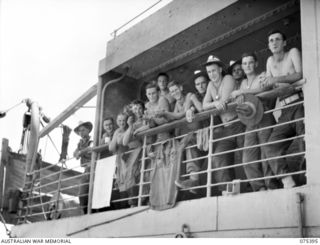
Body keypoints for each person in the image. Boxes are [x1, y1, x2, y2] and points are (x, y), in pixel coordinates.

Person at [259, 30, 304, 189]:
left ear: (284, 42)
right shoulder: (270, 61)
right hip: (284, 110)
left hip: (300, 104)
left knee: (305, 141)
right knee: (271, 146)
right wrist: (262, 85)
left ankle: (310, 177)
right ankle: (288, 183)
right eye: (271, 40)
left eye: (278, 39)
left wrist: (275, 79)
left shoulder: (292, 52)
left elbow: (299, 74)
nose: (274, 42)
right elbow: (270, 87)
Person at [230, 52, 278, 191]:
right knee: (247, 158)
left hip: (265, 117)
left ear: (256, 64)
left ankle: (272, 186)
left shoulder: (262, 75)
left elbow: (264, 88)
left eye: (250, 62)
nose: (247, 66)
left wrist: (241, 93)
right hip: (250, 121)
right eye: (244, 63)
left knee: (266, 154)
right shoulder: (243, 83)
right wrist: (240, 97)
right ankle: (259, 187)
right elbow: (242, 98)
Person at [203, 55, 245, 194]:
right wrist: (214, 103)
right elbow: (205, 105)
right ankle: (226, 191)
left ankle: (259, 185)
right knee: (218, 157)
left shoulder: (228, 78)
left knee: (247, 155)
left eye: (214, 71)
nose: (212, 74)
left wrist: (215, 103)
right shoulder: (210, 84)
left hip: (239, 123)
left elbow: (225, 100)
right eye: (209, 72)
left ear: (220, 69)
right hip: (226, 128)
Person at [157, 80, 201, 193]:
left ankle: (193, 180)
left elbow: (179, 115)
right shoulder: (177, 103)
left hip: (197, 133)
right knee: (174, 150)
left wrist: (165, 113)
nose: (174, 93)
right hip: (186, 135)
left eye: (176, 90)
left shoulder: (190, 96)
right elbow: (174, 118)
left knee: (188, 145)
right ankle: (177, 184)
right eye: (172, 92)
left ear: (181, 88)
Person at [109, 112, 141, 207]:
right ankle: (130, 203)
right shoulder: (117, 131)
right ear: (116, 121)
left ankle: (134, 203)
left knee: (132, 178)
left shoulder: (131, 127)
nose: (122, 122)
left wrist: (118, 137)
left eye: (123, 120)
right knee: (124, 180)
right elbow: (111, 148)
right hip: (124, 158)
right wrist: (114, 138)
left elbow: (122, 142)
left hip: (134, 155)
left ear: (127, 121)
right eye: (119, 120)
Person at [73, 121, 93, 214]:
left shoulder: (92, 139)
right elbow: (75, 155)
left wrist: (81, 152)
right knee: (82, 194)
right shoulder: (80, 142)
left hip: (93, 166)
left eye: (83, 130)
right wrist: (79, 152)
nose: (81, 132)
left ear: (88, 130)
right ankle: (85, 211)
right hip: (86, 168)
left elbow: (91, 148)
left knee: (86, 191)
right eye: (79, 131)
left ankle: (89, 211)